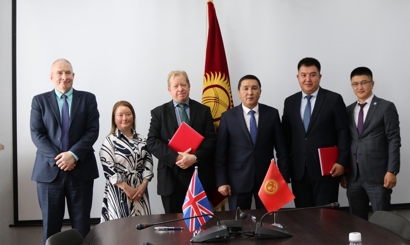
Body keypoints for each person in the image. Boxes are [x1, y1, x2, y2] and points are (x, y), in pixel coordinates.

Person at [30, 59, 99, 243]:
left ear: (73, 76)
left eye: (68, 73)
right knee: (51, 228)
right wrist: (59, 159)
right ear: (51, 77)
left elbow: (93, 130)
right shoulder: (39, 101)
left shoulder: (88, 99)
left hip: (81, 170)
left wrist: (73, 155)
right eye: (59, 73)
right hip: (49, 174)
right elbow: (37, 134)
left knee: (82, 227)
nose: (64, 77)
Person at [282, 57, 350, 208]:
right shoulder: (290, 102)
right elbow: (286, 138)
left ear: (320, 76)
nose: (308, 79)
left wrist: (341, 162)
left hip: (327, 170)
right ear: (297, 77)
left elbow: (343, 133)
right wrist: (285, 169)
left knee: (326, 218)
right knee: (303, 217)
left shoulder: (333, 99)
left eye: (312, 74)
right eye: (303, 75)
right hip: (299, 171)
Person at [215, 75, 290, 210]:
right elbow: (220, 154)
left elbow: (282, 150)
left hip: (268, 180)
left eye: (254, 88)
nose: (250, 92)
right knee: (238, 224)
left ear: (260, 92)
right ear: (239, 92)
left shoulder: (272, 114)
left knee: (268, 222)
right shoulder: (228, 117)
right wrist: (222, 181)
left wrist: (283, 178)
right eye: (246, 88)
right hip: (237, 180)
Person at [147, 70, 216, 214]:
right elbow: (152, 141)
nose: (180, 89)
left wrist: (194, 157)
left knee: (201, 224)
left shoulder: (203, 110)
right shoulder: (159, 113)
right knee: (174, 227)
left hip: (199, 176)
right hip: (171, 178)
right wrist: (176, 158)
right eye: (176, 86)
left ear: (189, 86)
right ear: (169, 89)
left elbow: (211, 139)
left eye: (183, 85)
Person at [341, 67, 401, 220]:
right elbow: (346, 142)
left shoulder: (385, 107)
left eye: (364, 82)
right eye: (355, 84)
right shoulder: (347, 111)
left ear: (372, 83)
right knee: (357, 221)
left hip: (378, 176)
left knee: (382, 221)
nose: (359, 87)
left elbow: (394, 139)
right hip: (353, 177)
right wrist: (344, 171)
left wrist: (392, 170)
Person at [99, 101, 154, 221]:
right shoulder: (109, 141)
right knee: (120, 230)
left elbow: (148, 162)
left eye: (128, 114)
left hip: (140, 190)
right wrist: (126, 187)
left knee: (142, 227)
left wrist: (144, 184)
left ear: (133, 117)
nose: (125, 118)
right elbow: (108, 167)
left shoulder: (142, 139)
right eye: (120, 115)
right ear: (114, 118)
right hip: (119, 190)